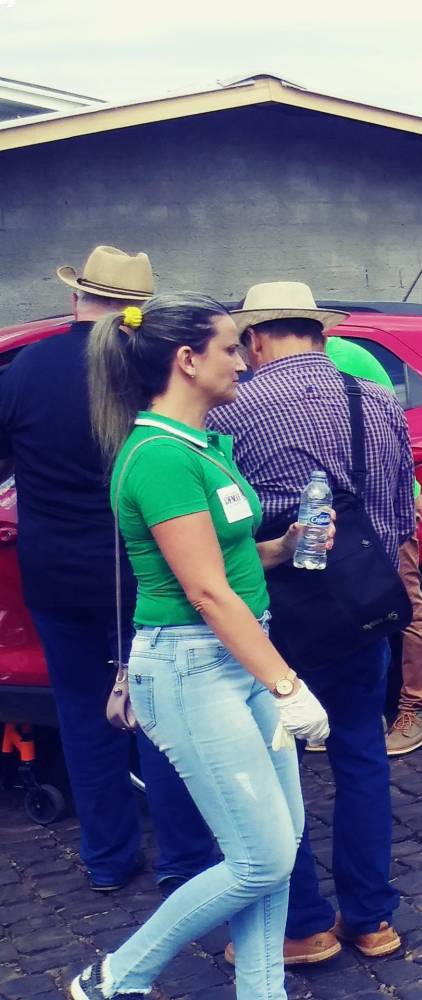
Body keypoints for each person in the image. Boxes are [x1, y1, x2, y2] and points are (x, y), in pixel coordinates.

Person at [68, 292, 332, 1000]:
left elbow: (225, 564)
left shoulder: (199, 447)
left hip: (233, 658)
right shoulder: (159, 457)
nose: (243, 359)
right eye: (229, 347)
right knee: (261, 858)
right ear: (187, 360)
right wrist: (287, 685)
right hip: (193, 668)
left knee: (277, 847)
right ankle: (117, 977)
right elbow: (207, 594)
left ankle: (263, 992)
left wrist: (284, 547)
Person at [208, 281, 415, 965]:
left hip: (278, 614)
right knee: (361, 752)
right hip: (363, 605)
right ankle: (372, 919)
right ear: (321, 334)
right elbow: (402, 515)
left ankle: (304, 927)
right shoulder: (378, 400)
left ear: (255, 339)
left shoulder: (235, 408)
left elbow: (226, 525)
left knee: (277, 765)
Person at [0, 247, 217, 894]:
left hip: (55, 575)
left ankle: (108, 857)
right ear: (139, 309)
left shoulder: (25, 368)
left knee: (82, 717)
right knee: (161, 713)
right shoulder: (149, 365)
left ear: (75, 298)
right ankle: (184, 859)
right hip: (144, 569)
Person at [313, 336, 422, 760]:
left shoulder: (347, 356)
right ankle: (356, 712)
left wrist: (407, 497)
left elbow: (395, 434)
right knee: (343, 608)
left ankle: (416, 710)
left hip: (383, 508)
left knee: (404, 604)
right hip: (338, 514)